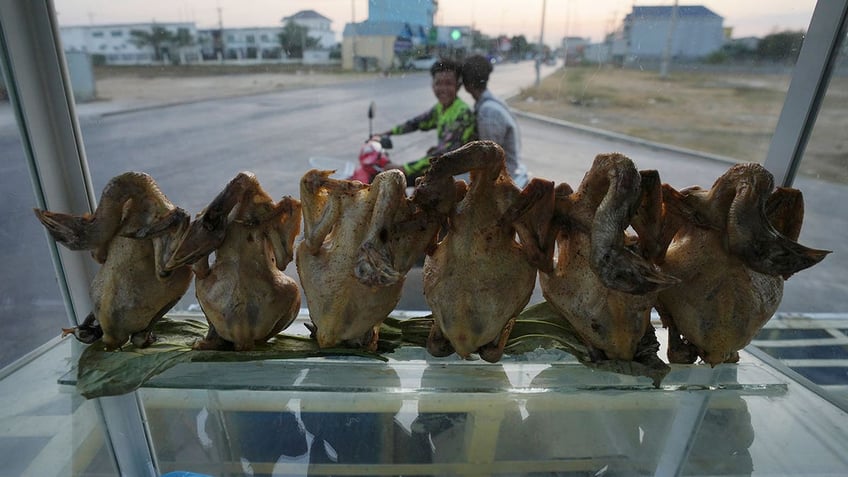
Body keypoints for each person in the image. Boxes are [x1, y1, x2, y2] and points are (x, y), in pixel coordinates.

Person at [381, 58, 476, 186]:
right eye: (438, 83)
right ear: (432, 85)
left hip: (456, 177)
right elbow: (417, 122)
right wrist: (387, 133)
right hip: (441, 167)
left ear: (458, 86)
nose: (443, 89)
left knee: (397, 181)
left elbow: (444, 154)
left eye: (448, 83)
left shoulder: (462, 113)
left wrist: (405, 168)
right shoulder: (440, 108)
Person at [461, 54, 530, 187]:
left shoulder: (488, 112)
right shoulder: (491, 103)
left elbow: (490, 158)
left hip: (505, 178)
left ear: (467, 84)